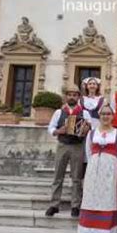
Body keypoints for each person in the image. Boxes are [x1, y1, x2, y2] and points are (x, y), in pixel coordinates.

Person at [45, 85, 91, 218]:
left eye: (75, 95)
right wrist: (59, 131)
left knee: (77, 178)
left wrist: (86, 129)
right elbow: (51, 127)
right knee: (58, 176)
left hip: (78, 145)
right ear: (66, 96)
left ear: (79, 97)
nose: (72, 97)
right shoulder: (59, 112)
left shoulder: (85, 112)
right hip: (63, 144)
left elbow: (90, 129)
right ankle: (54, 205)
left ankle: (75, 206)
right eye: (70, 94)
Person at [78, 104, 117, 233]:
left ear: (113, 116)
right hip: (94, 168)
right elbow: (88, 151)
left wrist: (113, 167)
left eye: (108, 114)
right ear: (99, 116)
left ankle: (106, 228)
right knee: (91, 195)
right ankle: (88, 227)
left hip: (110, 169)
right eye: (103, 114)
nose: (105, 116)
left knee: (107, 197)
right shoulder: (92, 133)